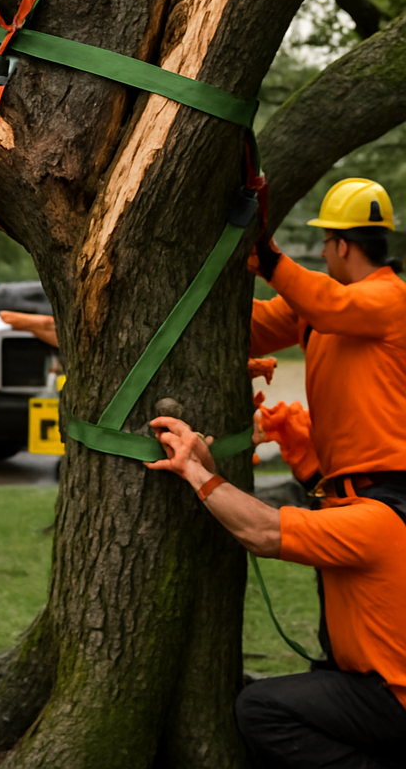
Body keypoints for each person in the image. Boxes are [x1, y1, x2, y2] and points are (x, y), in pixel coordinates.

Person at [145, 416, 406, 768]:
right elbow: (316, 501)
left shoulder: (378, 524)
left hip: (393, 699)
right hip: (377, 685)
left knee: (263, 708)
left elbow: (264, 531)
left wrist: (195, 472)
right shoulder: (385, 513)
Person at [249, 177, 406, 485]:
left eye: (326, 243)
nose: (323, 254)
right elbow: (254, 328)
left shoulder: (393, 299)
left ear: (343, 246)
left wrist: (271, 261)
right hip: (339, 484)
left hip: (390, 486)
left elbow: (332, 306)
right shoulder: (317, 305)